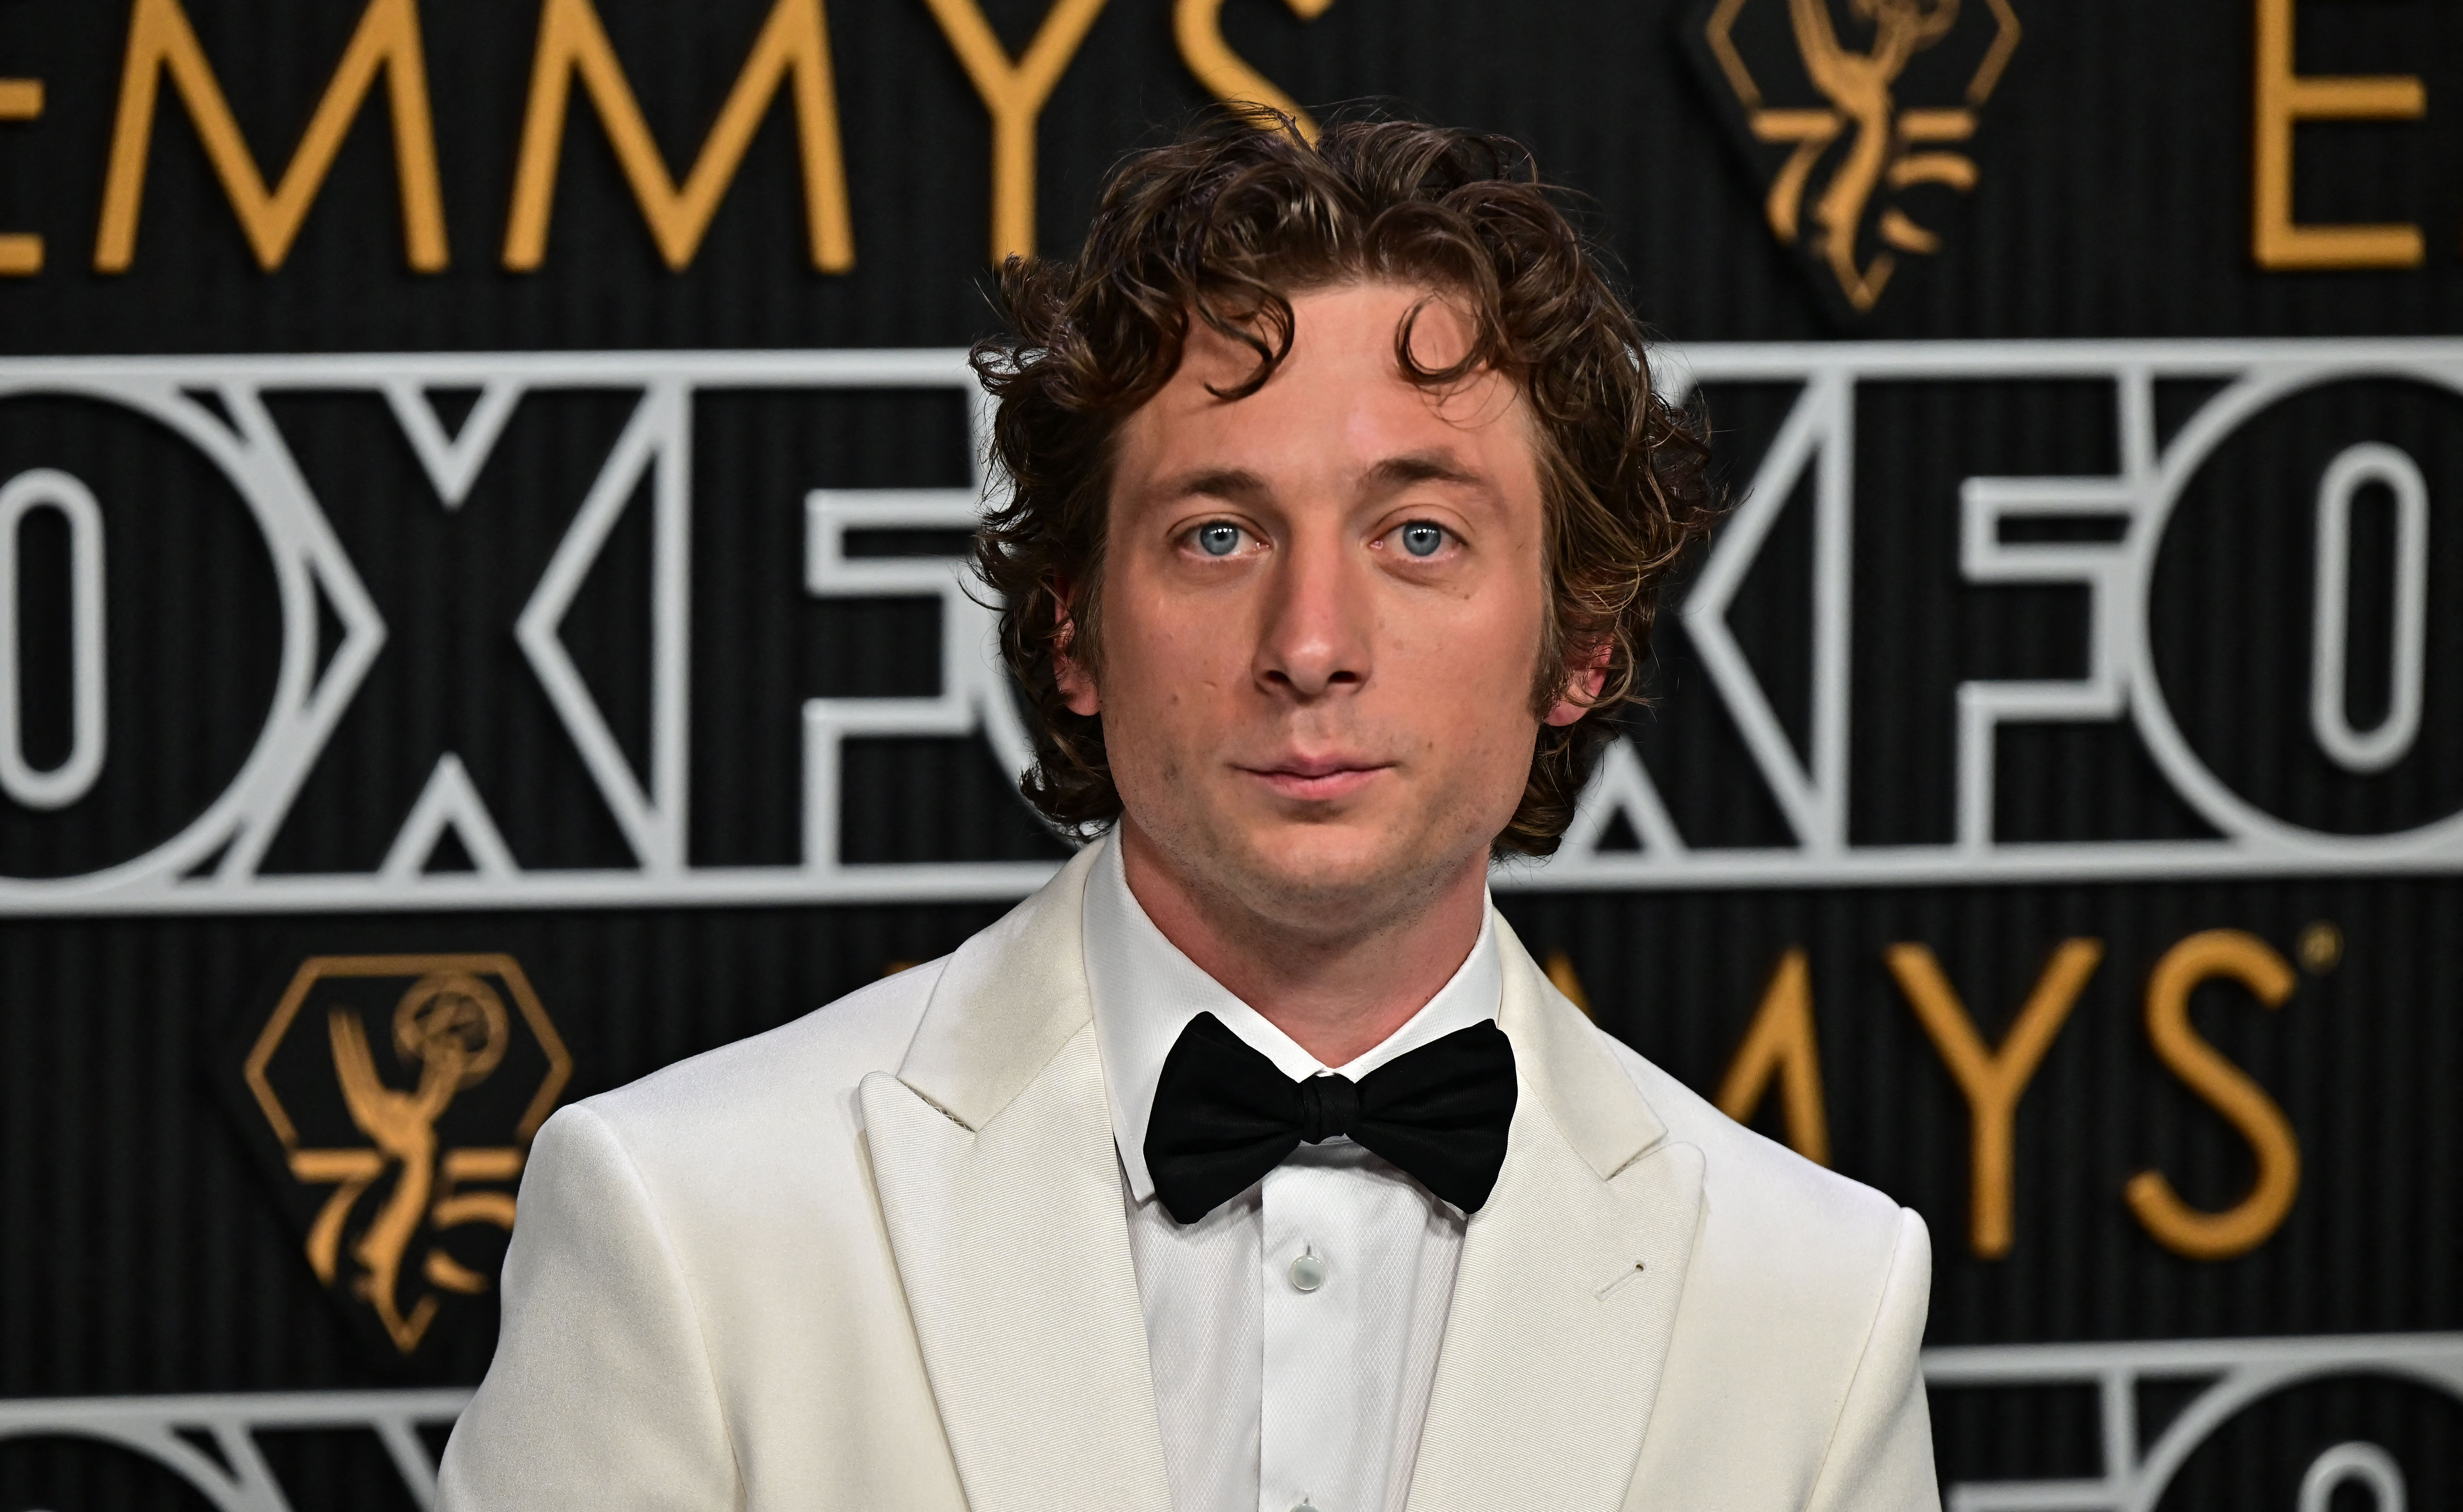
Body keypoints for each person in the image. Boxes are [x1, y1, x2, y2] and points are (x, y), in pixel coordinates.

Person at [438, 114, 1939, 1512]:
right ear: (1073, 630)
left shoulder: (1813, 1298)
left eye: (1418, 536)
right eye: (1216, 535)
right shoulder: (686, 1219)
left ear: (1580, 643)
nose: (1308, 644)